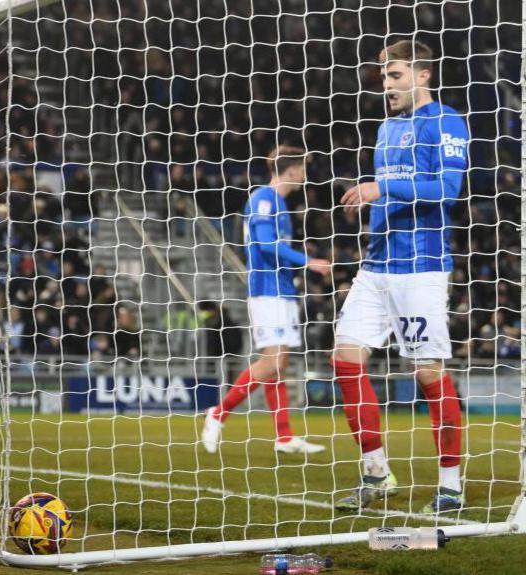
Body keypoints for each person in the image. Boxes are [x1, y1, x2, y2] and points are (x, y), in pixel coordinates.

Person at [333, 40, 469, 514]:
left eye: (394, 75)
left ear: (423, 75)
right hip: (378, 264)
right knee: (344, 360)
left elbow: (447, 189)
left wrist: (380, 186)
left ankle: (451, 484)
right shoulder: (386, 128)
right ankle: (376, 473)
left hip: (422, 266)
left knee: (427, 371)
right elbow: (387, 194)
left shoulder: (445, 121)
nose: (385, 84)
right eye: (383, 77)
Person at [202, 146, 331, 455]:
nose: (305, 174)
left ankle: (284, 436)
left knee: (280, 365)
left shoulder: (281, 205)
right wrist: (308, 261)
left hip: (283, 291)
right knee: (272, 361)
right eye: (302, 168)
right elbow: (264, 243)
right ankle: (218, 414)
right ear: (292, 170)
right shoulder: (262, 198)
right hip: (266, 290)